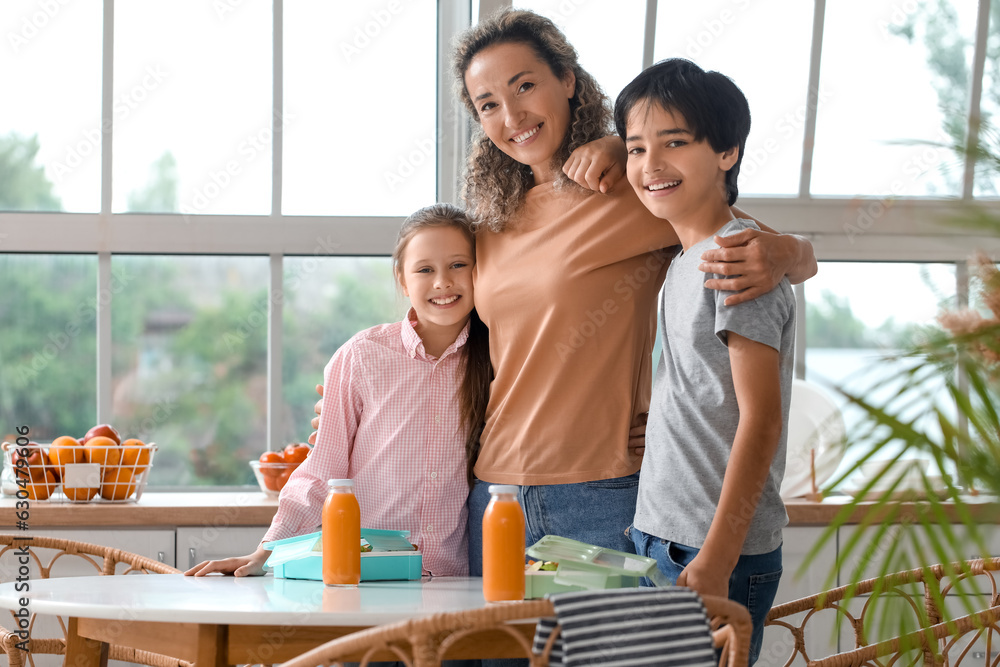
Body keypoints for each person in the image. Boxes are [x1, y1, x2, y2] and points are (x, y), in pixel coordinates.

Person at [451, 8, 815, 573]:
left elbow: (771, 250)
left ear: (567, 81)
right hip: (493, 493)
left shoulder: (630, 192)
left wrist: (790, 250)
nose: (512, 114)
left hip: (602, 495)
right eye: (488, 103)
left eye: (525, 85)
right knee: (495, 662)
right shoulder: (490, 222)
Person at [186, 203, 490, 579]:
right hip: (366, 572)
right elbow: (322, 471)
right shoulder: (362, 356)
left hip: (454, 579)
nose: (442, 281)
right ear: (402, 279)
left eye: (458, 265)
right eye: (425, 269)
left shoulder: (497, 358)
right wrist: (264, 553)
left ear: (481, 271)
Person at [616, 58, 794, 664]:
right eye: (636, 148)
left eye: (675, 142)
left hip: (710, 550)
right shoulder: (686, 258)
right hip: (663, 537)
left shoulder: (737, 257)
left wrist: (716, 558)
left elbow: (762, 419)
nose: (650, 165)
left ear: (727, 152)